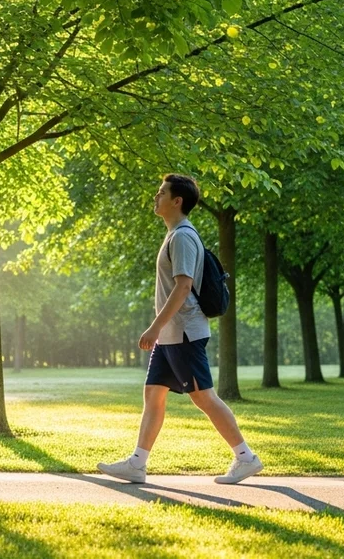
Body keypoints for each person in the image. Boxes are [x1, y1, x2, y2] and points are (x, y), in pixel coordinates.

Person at [98, 174, 263, 485]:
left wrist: (154, 327)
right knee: (153, 394)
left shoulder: (183, 237)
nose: (156, 196)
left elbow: (184, 286)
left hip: (184, 333)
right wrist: (161, 332)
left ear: (177, 201)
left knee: (204, 398)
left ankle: (246, 458)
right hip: (171, 336)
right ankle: (137, 463)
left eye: (162, 192)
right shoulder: (175, 234)